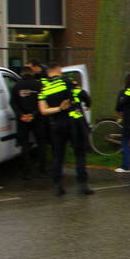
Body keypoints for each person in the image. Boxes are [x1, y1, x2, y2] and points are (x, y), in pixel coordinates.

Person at [38, 61, 93, 196]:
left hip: (56, 124)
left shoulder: (43, 89)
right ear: (58, 69)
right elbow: (82, 95)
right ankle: (82, 185)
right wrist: (87, 103)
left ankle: (57, 186)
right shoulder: (67, 82)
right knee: (79, 153)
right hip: (73, 122)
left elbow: (43, 111)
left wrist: (58, 109)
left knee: (58, 155)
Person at [10, 65, 46, 179]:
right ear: (32, 73)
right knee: (41, 143)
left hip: (22, 120)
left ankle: (27, 171)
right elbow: (42, 102)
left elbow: (12, 103)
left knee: (24, 145)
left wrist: (21, 115)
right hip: (37, 119)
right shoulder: (38, 85)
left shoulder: (16, 86)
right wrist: (33, 114)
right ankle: (42, 169)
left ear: (22, 74)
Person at [114, 73, 130, 173]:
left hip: (128, 120)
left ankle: (126, 166)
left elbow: (118, 107)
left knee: (125, 142)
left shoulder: (124, 92)